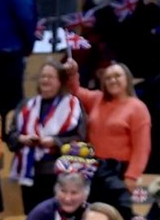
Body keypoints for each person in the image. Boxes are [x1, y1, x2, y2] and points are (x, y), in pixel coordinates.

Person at [6, 63, 86, 214]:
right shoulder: (26, 105)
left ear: (60, 81)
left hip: (60, 174)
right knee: (33, 216)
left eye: (50, 77)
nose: (45, 80)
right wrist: (22, 139)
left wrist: (55, 141)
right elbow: (11, 136)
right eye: (43, 76)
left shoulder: (72, 104)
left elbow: (80, 137)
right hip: (29, 173)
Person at [62, 60, 151, 195]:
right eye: (108, 78)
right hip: (93, 167)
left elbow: (142, 148)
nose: (112, 80)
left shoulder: (138, 108)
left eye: (117, 76)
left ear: (127, 78)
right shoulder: (97, 99)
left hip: (119, 171)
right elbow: (74, 91)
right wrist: (72, 72)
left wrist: (132, 176)